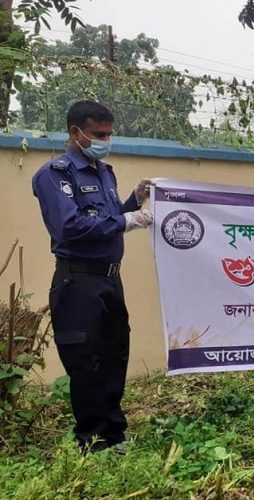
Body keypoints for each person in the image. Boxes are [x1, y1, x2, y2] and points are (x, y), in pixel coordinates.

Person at [32, 100, 155, 452]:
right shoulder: (55, 174)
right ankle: (91, 439)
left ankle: (114, 433)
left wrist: (133, 201)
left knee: (115, 353)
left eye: (109, 134)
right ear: (76, 132)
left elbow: (108, 213)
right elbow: (70, 226)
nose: (105, 140)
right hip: (78, 282)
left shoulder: (104, 171)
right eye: (98, 134)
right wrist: (128, 222)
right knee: (85, 362)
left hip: (109, 279)